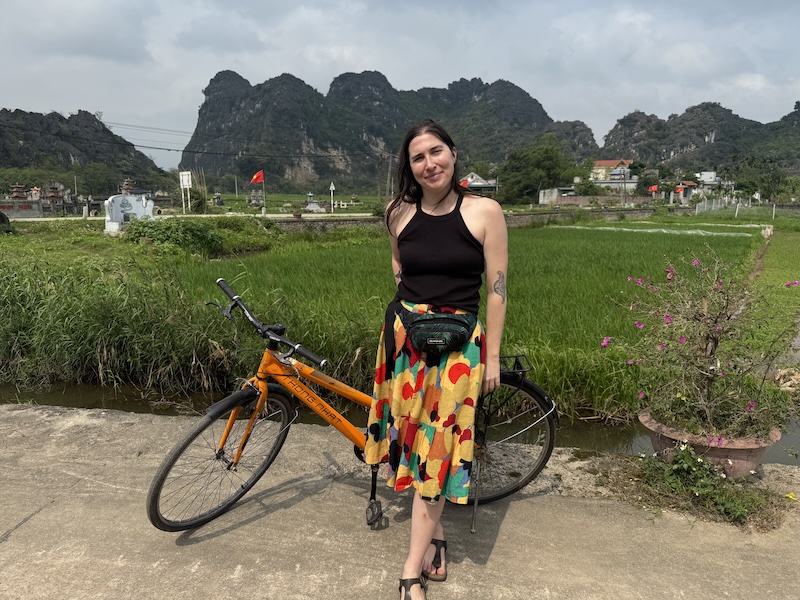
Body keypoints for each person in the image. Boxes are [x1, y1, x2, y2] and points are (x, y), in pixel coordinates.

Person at [364, 119, 508, 600]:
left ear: (452, 153)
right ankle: (437, 536)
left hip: (461, 349)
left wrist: (492, 358)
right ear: (409, 167)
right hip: (406, 343)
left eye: (436, 152)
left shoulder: (485, 211)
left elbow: (498, 291)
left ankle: (409, 572)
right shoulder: (396, 212)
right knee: (411, 442)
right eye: (418, 157)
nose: (430, 164)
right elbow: (398, 266)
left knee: (438, 447)